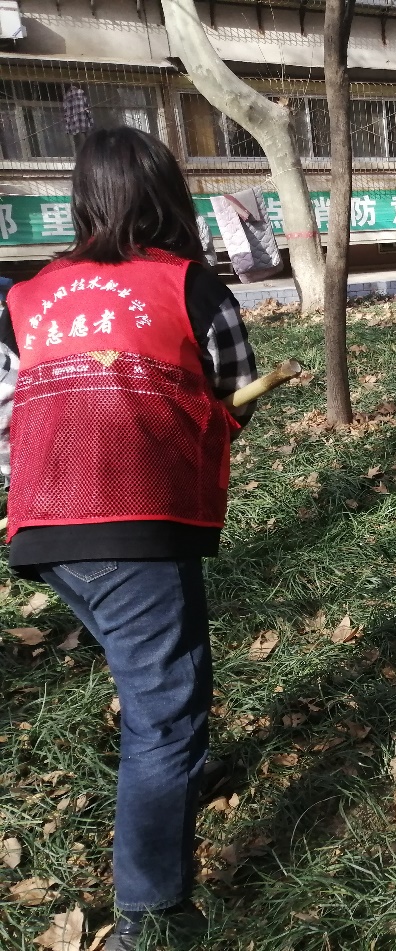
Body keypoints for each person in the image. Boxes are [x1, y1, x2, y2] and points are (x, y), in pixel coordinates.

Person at [0, 127, 258, 951]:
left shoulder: (27, 295)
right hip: (134, 519)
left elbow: (8, 412)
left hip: (42, 525)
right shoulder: (189, 285)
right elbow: (232, 385)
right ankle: (151, 917)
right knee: (165, 713)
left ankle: (182, 777)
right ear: (167, 195)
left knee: (155, 670)